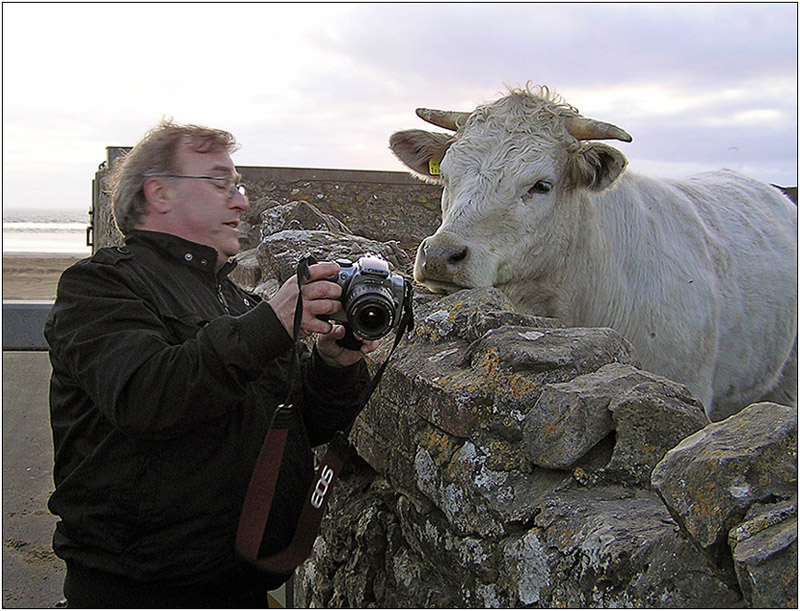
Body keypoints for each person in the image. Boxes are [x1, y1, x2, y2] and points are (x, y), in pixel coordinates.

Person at [44, 120, 379, 608]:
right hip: (135, 592)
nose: (241, 201)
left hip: (241, 587)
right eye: (221, 183)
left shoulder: (235, 300)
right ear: (158, 192)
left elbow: (300, 427)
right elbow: (146, 396)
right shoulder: (98, 287)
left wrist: (335, 363)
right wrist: (269, 325)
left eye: (238, 186)